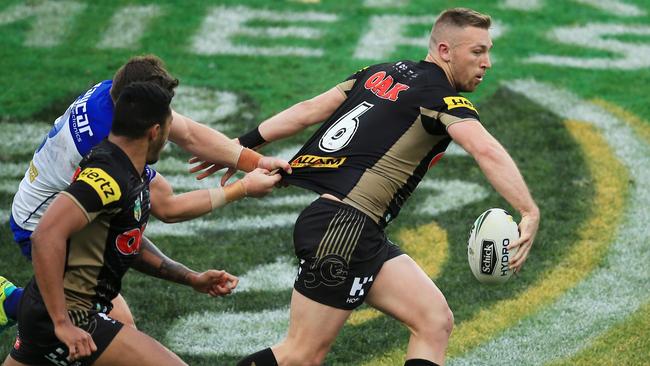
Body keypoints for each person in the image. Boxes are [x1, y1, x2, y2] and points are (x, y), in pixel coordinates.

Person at [215, 7, 539, 366]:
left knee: (434, 320)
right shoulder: (441, 98)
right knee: (300, 355)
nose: (487, 62)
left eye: (488, 50)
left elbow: (309, 109)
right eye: (477, 51)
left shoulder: (381, 72)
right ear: (445, 50)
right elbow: (485, 149)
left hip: (352, 228)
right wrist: (528, 210)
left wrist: (238, 148)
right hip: (344, 228)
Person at [0, 54, 289, 332]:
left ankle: (14, 304)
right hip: (44, 228)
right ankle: (12, 302)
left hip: (48, 202)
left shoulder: (114, 94)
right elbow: (168, 209)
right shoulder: (108, 160)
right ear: (151, 127)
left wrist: (256, 162)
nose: (169, 127)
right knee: (105, 330)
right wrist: (243, 188)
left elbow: (189, 134)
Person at [3, 82, 237, 366]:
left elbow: (127, 243)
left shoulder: (129, 174)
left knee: (125, 327)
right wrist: (62, 323)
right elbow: (45, 235)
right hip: (69, 320)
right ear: (155, 132)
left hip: (54, 314)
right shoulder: (107, 179)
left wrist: (191, 278)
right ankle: (12, 302)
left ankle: (10, 303)